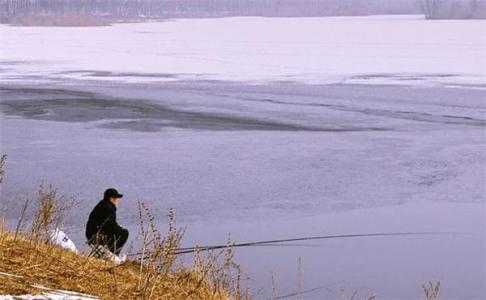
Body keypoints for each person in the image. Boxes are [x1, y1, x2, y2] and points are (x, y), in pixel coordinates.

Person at [86, 188, 129, 255]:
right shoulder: (108, 208)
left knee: (119, 232)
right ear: (111, 199)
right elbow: (110, 226)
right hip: (96, 236)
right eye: (117, 198)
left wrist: (118, 228)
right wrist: (120, 229)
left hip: (91, 234)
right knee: (124, 233)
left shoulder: (103, 205)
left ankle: (111, 253)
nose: (118, 200)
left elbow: (108, 224)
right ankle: (114, 254)